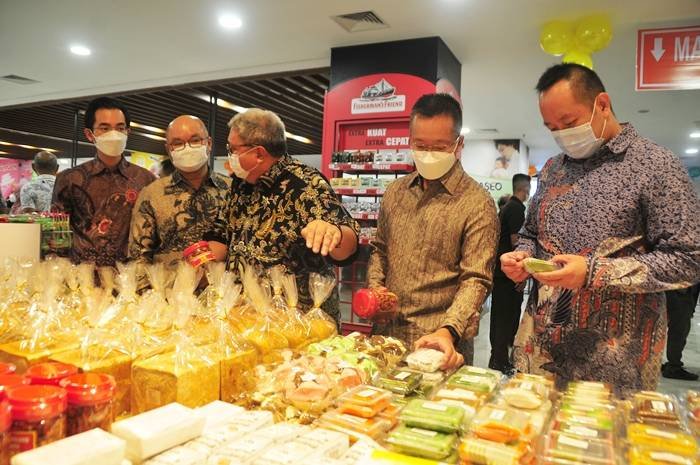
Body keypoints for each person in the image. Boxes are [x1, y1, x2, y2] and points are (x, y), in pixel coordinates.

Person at [500, 64, 700, 395]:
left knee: (604, 429)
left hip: (613, 357)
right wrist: (522, 255)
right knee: (531, 424)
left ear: (602, 105)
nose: (562, 134)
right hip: (539, 347)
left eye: (569, 123)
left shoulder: (656, 166)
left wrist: (595, 272)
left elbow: (688, 258)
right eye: (552, 128)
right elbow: (531, 232)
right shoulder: (552, 169)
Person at [367, 93, 499, 370]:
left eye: (439, 147)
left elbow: (476, 279)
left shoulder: (477, 203)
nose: (428, 154)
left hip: (439, 345)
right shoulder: (395, 192)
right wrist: (376, 292)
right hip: (386, 335)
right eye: (420, 145)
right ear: (410, 140)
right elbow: (380, 249)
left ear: (459, 145)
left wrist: (449, 330)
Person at [206, 108, 359, 323]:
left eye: (233, 149)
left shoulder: (306, 184)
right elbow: (223, 234)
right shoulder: (240, 184)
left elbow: (347, 248)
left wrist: (335, 233)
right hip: (246, 317)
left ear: (259, 153)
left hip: (299, 322)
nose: (229, 155)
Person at [52, 97, 156, 266]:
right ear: (89, 134)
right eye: (104, 128)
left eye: (120, 128)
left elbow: (153, 233)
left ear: (128, 132)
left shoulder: (145, 179)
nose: (114, 134)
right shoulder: (69, 179)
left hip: (131, 275)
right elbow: (57, 234)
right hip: (81, 275)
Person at [129, 115, 231, 268]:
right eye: (178, 143)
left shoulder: (232, 190)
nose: (187, 148)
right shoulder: (151, 194)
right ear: (168, 149)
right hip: (167, 282)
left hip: (225, 282)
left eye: (195, 140)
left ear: (209, 144)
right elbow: (138, 256)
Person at [489, 174, 531, 373]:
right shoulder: (516, 209)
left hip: (502, 273)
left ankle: (498, 359)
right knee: (506, 318)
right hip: (508, 275)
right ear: (525, 189)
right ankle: (500, 361)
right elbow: (517, 242)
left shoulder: (507, 208)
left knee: (501, 317)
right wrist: (523, 272)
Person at [662, 283, 700, 380]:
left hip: (681, 287)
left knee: (679, 324)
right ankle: (673, 367)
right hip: (681, 287)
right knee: (680, 327)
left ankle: (671, 363)